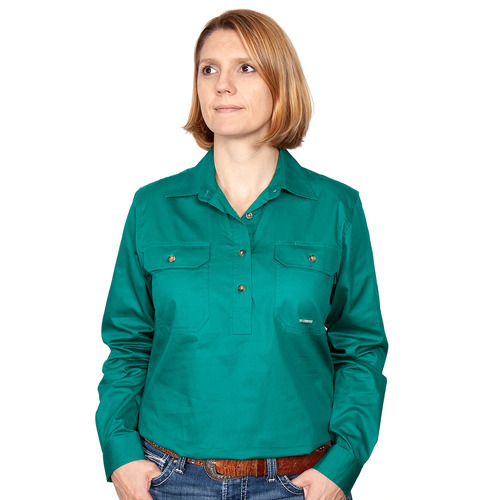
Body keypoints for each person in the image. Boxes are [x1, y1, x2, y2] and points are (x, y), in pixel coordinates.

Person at [96, 8, 388, 500]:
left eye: (245, 68)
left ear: (281, 82)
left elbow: (360, 347)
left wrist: (342, 465)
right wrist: (119, 452)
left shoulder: (336, 207)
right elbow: (128, 344)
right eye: (208, 69)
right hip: (169, 479)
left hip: (301, 481)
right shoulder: (153, 206)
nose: (222, 85)